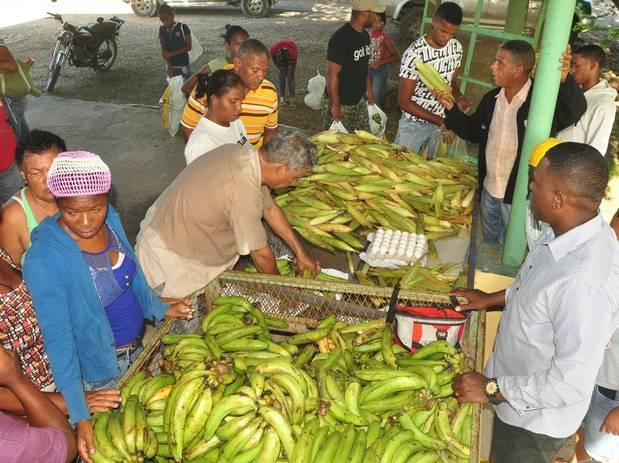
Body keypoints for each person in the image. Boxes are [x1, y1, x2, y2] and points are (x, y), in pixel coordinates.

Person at [450, 142, 619, 463]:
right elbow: (536, 287)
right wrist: (490, 299)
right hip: (512, 389)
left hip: (533, 422)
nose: (530, 186)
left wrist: (490, 389)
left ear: (558, 199)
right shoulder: (569, 228)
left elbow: (567, 383)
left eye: (537, 183)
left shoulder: (583, 284)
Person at [22, 151, 194, 462]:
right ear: (58, 202)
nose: (86, 221)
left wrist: (156, 307)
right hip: (101, 373)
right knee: (123, 448)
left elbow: (133, 272)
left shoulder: (111, 219)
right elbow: (59, 343)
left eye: (96, 208)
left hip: (138, 352)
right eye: (73, 211)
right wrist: (80, 413)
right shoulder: (44, 260)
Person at [136, 132, 321, 299]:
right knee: (183, 326)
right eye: (296, 178)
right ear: (282, 169)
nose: (293, 183)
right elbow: (261, 255)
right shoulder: (242, 190)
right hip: (169, 261)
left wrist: (301, 253)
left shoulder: (240, 155)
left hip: (170, 233)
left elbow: (271, 210)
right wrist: (284, 293)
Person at [437, 41, 587, 244]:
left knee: (510, 247)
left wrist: (565, 80)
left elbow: (574, 110)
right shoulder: (492, 99)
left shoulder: (540, 103)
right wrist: (450, 108)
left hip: (518, 198)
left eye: (500, 62)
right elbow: (473, 131)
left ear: (517, 70)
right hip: (489, 190)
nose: (492, 66)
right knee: (490, 244)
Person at [395, 2, 468, 155]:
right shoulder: (415, 54)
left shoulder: (456, 48)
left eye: (452, 34)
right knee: (404, 169)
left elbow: (451, 82)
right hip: (414, 125)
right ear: (434, 21)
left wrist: (459, 97)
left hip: (442, 122)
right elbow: (404, 101)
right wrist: (440, 122)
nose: (447, 38)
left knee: (431, 170)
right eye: (443, 31)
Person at [180, 39, 278, 147]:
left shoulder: (269, 91)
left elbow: (270, 129)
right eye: (255, 70)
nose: (261, 76)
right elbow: (188, 129)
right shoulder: (210, 86)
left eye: (264, 71)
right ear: (237, 63)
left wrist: (261, 157)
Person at [0, 347, 77, 463]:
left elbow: (11, 419)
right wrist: (15, 379)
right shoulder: (10, 444)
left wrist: (72, 403)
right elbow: (67, 445)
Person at [0, 130, 65, 266]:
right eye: (36, 173)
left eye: (55, 169)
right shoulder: (11, 218)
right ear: (23, 174)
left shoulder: (82, 194)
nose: (48, 180)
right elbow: (10, 276)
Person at [322, 0, 384, 131]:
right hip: (341, 103)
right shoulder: (341, 38)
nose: (377, 17)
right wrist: (335, 105)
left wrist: (369, 89)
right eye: (375, 13)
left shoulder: (365, 36)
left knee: (360, 141)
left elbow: (363, 66)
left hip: (358, 100)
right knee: (337, 145)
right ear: (365, 13)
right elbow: (331, 75)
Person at [558, 44, 617, 156]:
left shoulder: (604, 104)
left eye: (576, 66)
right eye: (571, 65)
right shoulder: (572, 90)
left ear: (593, 65)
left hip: (572, 167)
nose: (572, 70)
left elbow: (596, 148)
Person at [184, 69, 248, 164]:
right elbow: (201, 178)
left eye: (241, 101)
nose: (239, 108)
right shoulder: (200, 144)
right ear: (214, 100)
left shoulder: (235, 122)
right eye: (233, 102)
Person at [181, 24, 249, 96]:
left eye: (245, 44)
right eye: (238, 44)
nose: (242, 48)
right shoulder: (218, 64)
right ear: (227, 45)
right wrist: (207, 102)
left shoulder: (253, 65)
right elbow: (186, 88)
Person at [368, 12, 400, 108]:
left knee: (375, 98)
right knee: (366, 96)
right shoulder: (367, 35)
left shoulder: (384, 38)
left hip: (379, 71)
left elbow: (397, 56)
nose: (373, 24)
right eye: (372, 21)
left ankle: (377, 122)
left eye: (376, 21)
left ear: (382, 23)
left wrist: (380, 62)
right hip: (366, 70)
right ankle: (367, 118)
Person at [0, 38, 29, 142]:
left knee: (14, 126)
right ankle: (28, 147)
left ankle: (22, 150)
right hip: (12, 92)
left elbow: (12, 66)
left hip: (9, 93)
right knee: (20, 120)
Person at [158, 4, 192, 81]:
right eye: (162, 20)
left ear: (172, 16)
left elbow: (189, 47)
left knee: (186, 87)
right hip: (171, 67)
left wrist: (171, 54)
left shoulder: (183, 27)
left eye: (166, 19)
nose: (164, 22)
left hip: (183, 65)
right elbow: (164, 49)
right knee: (174, 89)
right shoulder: (162, 29)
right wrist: (169, 66)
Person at [0, 97, 22, 204]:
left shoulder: (4, 100)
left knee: (16, 204)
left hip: (7, 162)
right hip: (7, 163)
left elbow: (14, 123)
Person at [270, 40, 298, 106]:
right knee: (282, 76)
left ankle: (292, 98)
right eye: (283, 51)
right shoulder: (274, 50)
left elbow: (293, 64)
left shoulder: (293, 52)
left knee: (291, 78)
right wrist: (279, 68)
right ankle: (282, 97)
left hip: (290, 59)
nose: (284, 52)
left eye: (286, 52)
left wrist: (291, 76)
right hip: (280, 59)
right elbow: (274, 59)